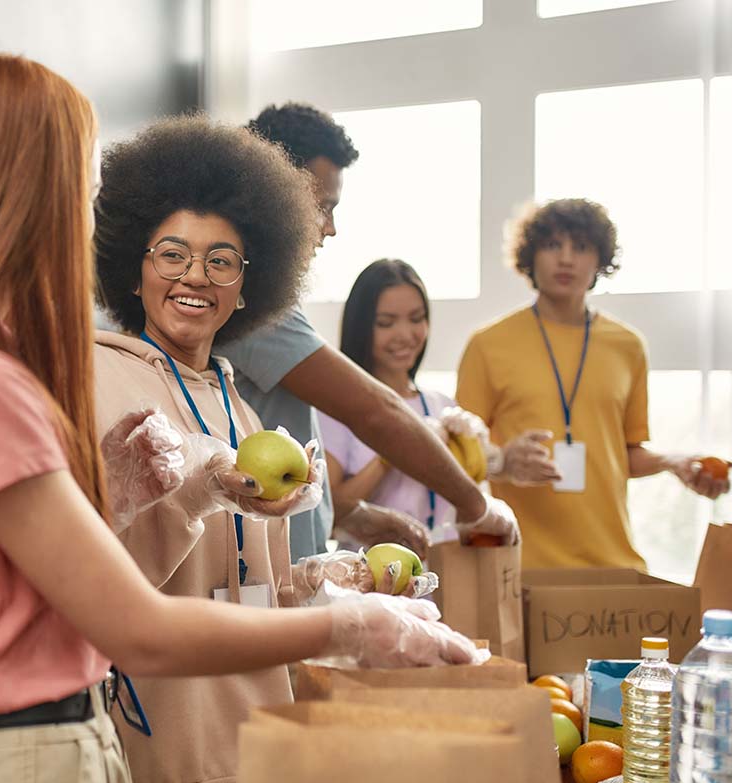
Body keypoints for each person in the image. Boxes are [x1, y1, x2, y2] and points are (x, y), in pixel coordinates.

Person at [0, 54, 478, 783]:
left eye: (220, 262)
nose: (86, 213)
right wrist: (351, 628)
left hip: (54, 748)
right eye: (79, 185)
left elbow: (31, 591)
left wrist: (136, 505)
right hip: (32, 759)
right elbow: (133, 624)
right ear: (30, 196)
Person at [92, 118, 447, 783]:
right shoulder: (101, 383)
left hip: (256, 751)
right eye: (172, 254)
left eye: (220, 260)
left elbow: (253, 591)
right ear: (133, 268)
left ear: (249, 285)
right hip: (158, 759)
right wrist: (196, 495)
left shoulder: (243, 409)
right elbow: (99, 589)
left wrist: (328, 580)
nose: (195, 276)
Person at [217, 102, 517, 563]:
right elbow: (374, 412)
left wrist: (351, 514)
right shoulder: (248, 299)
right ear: (274, 195)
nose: (331, 228)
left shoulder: (264, 296)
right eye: (323, 208)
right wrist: (476, 506)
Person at [456, 198, 732, 569]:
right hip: (521, 567)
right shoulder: (487, 345)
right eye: (553, 245)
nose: (566, 258)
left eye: (581, 247)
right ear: (530, 256)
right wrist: (503, 462)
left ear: (600, 259)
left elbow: (625, 453)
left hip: (614, 564)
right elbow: (457, 456)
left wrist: (673, 462)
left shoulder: (628, 346)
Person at [318, 259, 473, 547]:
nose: (405, 335)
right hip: (372, 582)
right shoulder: (338, 410)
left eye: (416, 318)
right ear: (361, 327)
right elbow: (329, 511)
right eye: (386, 323)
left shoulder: (442, 406)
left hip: (445, 576)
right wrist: (394, 449)